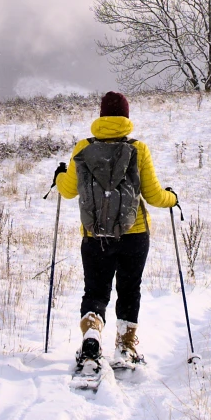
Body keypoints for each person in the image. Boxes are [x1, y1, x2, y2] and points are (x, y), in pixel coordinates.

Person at [55, 90, 178, 374]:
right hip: (134, 235)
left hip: (95, 236)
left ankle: (92, 335)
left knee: (96, 290)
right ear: (126, 116)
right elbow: (154, 196)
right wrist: (173, 198)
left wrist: (59, 175)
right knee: (129, 288)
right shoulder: (138, 149)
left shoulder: (83, 148)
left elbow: (69, 191)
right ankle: (125, 346)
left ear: (101, 116)